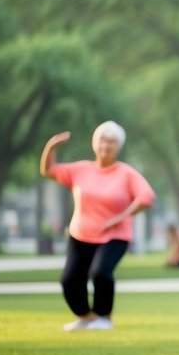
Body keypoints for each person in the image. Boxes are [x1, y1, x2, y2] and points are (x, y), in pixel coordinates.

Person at [40, 122, 156, 331]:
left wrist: (121, 216)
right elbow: (48, 170)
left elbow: (146, 197)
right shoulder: (80, 170)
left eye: (111, 141)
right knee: (70, 281)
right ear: (95, 143)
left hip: (115, 236)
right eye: (103, 139)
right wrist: (51, 145)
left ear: (118, 146)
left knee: (101, 273)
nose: (106, 145)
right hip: (81, 234)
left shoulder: (126, 173)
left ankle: (104, 317)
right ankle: (86, 317)